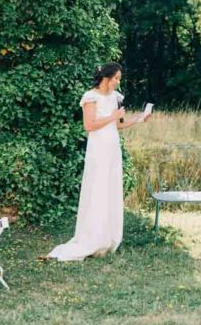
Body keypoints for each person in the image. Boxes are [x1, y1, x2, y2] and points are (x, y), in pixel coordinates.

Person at [47, 62, 149, 261]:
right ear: (106, 78)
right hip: (98, 149)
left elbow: (118, 125)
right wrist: (112, 117)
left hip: (112, 148)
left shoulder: (116, 98)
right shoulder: (90, 97)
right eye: (116, 78)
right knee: (98, 189)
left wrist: (138, 119)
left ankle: (109, 235)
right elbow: (89, 125)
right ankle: (94, 237)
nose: (118, 82)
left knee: (110, 188)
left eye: (119, 79)